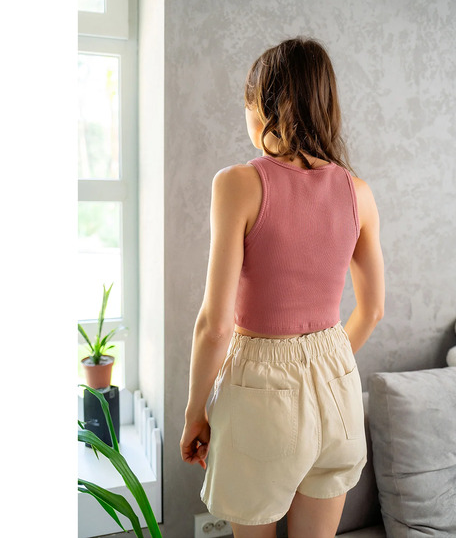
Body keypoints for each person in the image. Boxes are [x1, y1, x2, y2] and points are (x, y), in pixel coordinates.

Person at [180, 36, 385, 538]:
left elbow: (215, 326)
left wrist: (195, 413)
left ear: (266, 106)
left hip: (261, 391)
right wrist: (321, 366)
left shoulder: (238, 184)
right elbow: (372, 310)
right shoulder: (359, 193)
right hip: (338, 385)